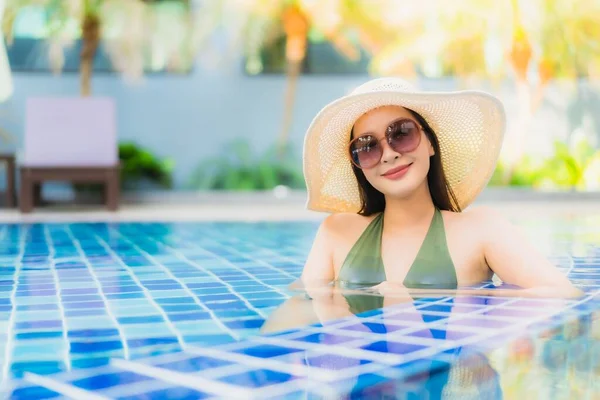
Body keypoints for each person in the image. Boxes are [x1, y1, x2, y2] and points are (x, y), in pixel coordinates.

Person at [298, 77, 580, 298]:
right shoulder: (335, 232)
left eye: (402, 134)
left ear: (431, 143)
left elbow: (562, 294)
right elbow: (301, 305)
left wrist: (481, 302)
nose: (388, 154)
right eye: (368, 146)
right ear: (358, 164)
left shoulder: (481, 229)